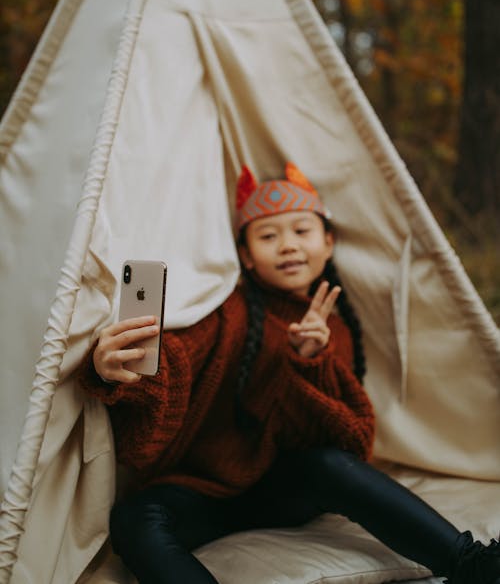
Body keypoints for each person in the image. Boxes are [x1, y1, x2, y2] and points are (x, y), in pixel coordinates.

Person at [79, 162, 500, 584]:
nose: (287, 246)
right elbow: (175, 359)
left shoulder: (335, 324)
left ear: (329, 242)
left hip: (282, 490)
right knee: (135, 518)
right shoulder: (229, 311)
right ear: (245, 255)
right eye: (268, 236)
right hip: (202, 492)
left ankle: (471, 563)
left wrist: (309, 363)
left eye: (302, 231)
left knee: (329, 464)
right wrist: (117, 370)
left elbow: (349, 443)